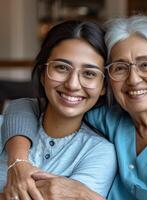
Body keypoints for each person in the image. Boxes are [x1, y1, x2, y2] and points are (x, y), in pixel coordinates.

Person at [1, 15, 147, 200]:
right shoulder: (113, 119)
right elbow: (27, 107)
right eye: (120, 68)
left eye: (146, 65)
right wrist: (18, 162)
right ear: (108, 81)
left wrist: (84, 196)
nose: (133, 79)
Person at [0, 20, 117, 200]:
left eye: (89, 73)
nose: (72, 84)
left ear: (103, 87)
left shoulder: (99, 152)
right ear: (42, 74)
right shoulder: (5, 125)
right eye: (61, 67)